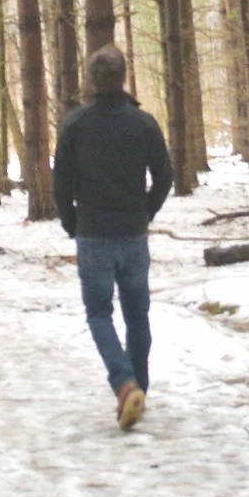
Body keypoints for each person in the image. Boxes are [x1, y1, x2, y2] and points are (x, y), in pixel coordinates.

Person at [54, 44, 173, 431]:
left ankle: (125, 385)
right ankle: (137, 389)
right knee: (137, 314)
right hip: (133, 234)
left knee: (99, 313)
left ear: (92, 81)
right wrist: (146, 211)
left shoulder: (75, 124)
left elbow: (60, 183)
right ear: (122, 78)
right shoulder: (143, 123)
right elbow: (165, 176)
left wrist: (72, 222)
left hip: (94, 234)